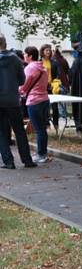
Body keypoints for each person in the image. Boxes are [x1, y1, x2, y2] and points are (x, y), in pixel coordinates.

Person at [0, 34, 36, 169]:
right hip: (12, 100)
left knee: (2, 132)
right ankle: (27, 160)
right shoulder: (15, 59)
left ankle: (8, 161)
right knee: (19, 130)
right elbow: (22, 80)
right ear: (5, 43)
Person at [19, 47, 51, 163]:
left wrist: (17, 89)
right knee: (42, 128)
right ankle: (43, 152)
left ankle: (41, 154)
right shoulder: (41, 67)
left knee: (39, 129)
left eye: (25, 54)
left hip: (34, 101)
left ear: (30, 56)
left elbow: (24, 86)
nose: (24, 56)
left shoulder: (30, 68)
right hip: (44, 99)